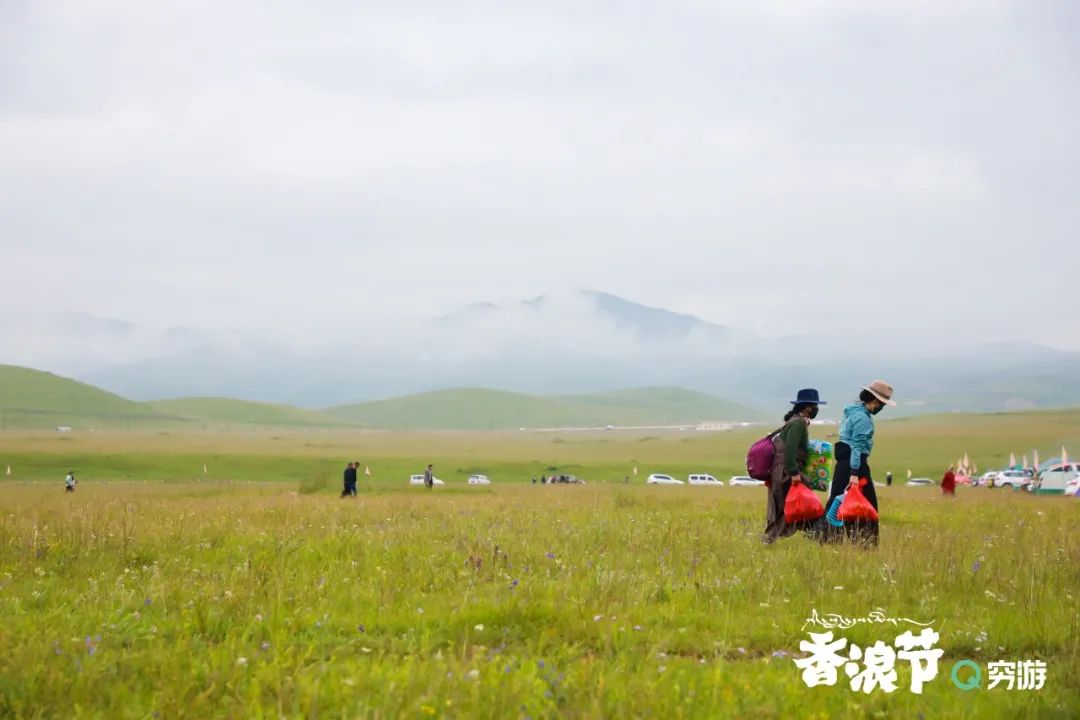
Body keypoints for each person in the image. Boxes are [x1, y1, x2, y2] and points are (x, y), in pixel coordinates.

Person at [822, 380, 896, 547]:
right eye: (882, 405)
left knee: (837, 503)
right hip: (855, 466)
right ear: (876, 402)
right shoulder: (864, 420)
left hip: (842, 464)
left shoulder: (851, 412)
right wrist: (855, 473)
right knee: (867, 506)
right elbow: (857, 446)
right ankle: (865, 544)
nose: (881, 408)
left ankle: (829, 542)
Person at [763, 388, 825, 544]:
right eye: (815, 406)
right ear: (808, 407)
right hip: (787, 471)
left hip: (781, 470)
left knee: (797, 506)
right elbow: (790, 449)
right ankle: (769, 540)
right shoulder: (798, 424)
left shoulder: (795, 421)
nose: (817, 409)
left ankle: (817, 539)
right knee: (793, 507)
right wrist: (794, 473)